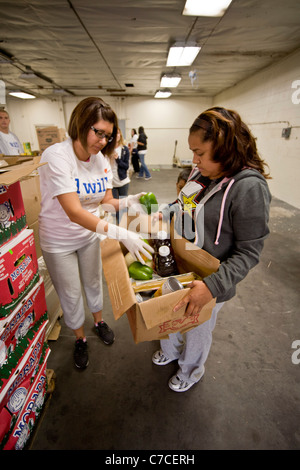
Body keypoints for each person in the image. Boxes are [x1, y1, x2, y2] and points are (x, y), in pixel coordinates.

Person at [152, 106, 271, 392]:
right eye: (193, 152)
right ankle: (170, 350)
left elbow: (248, 252)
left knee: (196, 329)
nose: (194, 160)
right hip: (180, 266)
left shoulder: (249, 189)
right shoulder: (202, 174)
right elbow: (184, 205)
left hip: (210, 282)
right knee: (170, 314)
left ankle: (190, 370)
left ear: (226, 148)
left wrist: (211, 285)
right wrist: (164, 214)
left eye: (201, 153)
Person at [38, 97, 153, 370]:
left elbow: (106, 201)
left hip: (88, 235)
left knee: (92, 281)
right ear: (80, 124)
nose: (102, 141)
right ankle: (79, 338)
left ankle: (99, 322)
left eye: (108, 135)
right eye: (97, 132)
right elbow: (75, 212)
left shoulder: (100, 158)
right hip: (59, 239)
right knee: (70, 292)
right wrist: (121, 233)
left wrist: (129, 201)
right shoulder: (57, 156)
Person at [110, 128, 130, 222]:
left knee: (123, 203)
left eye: (118, 133)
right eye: (114, 133)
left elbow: (126, 166)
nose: (116, 135)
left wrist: (117, 158)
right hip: (111, 183)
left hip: (123, 182)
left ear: (120, 135)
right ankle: (119, 223)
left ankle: (123, 223)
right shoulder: (107, 148)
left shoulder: (124, 149)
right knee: (115, 205)